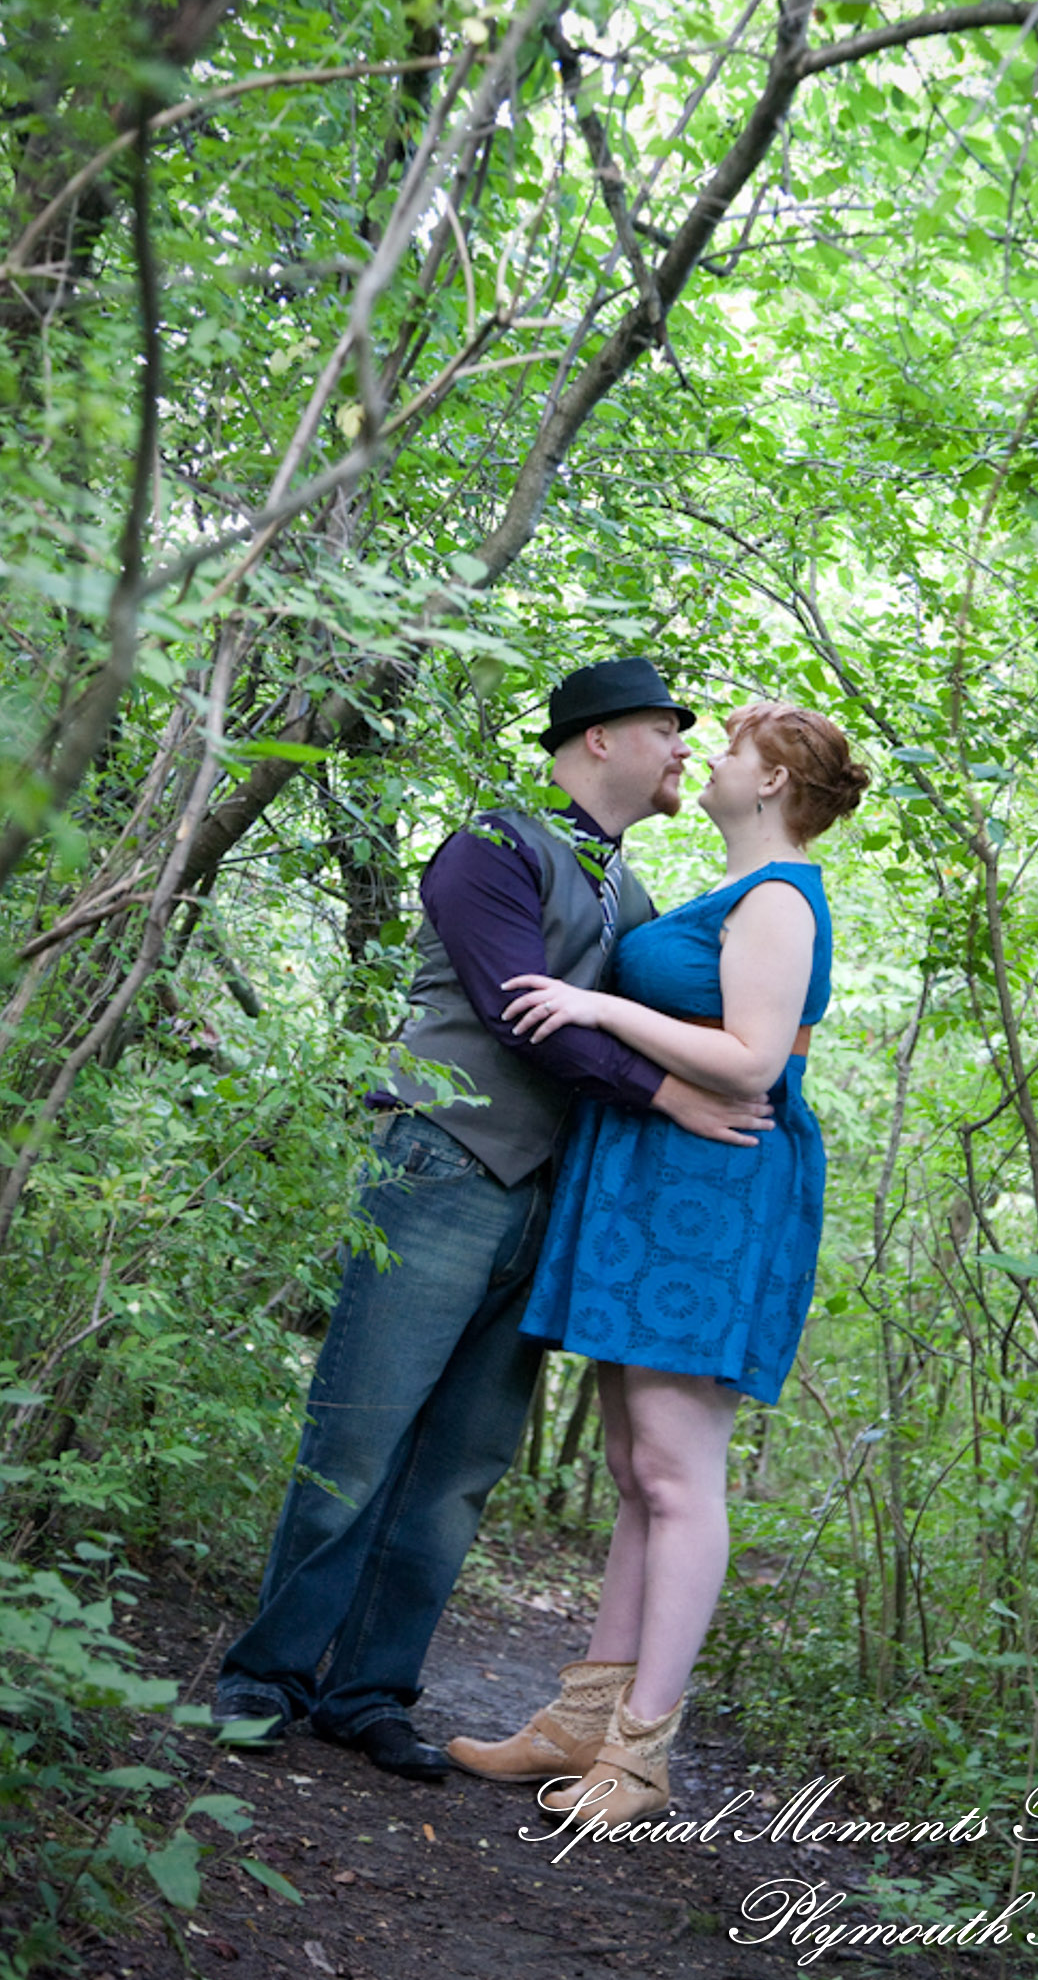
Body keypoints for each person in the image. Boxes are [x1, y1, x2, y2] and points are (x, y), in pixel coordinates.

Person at [211, 659, 775, 1781]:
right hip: (444, 1163)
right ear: (599, 739)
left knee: (463, 1461)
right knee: (359, 1429)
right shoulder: (491, 849)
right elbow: (531, 1017)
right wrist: (670, 1096)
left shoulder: (636, 900)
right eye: (668, 730)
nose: (682, 753)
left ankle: (369, 1693)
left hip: (554, 1203)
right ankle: (266, 1678)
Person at [446, 700, 868, 1819]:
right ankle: (585, 1719)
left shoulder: (779, 898)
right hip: (656, 1188)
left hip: (714, 1196)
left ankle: (641, 1754)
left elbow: (752, 1060)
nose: (707, 760)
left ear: (773, 782)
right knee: (640, 1471)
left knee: (679, 1477)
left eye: (731, 749)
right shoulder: (729, 895)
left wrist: (593, 1004)